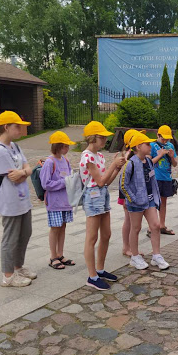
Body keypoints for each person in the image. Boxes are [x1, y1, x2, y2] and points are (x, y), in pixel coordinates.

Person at [0, 111, 36, 287]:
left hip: (22, 199)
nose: (20, 130)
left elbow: (27, 169)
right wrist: (24, 172)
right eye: (17, 126)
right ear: (6, 127)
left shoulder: (15, 146)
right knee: (11, 238)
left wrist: (23, 171)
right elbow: (14, 178)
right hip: (10, 201)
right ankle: (8, 275)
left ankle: (18, 267)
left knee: (25, 233)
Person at [80, 121, 126, 290]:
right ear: (93, 138)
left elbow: (106, 182)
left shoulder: (98, 155)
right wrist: (113, 164)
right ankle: (92, 276)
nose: (105, 140)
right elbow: (99, 181)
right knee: (92, 237)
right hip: (92, 196)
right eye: (102, 137)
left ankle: (99, 270)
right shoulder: (87, 156)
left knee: (106, 234)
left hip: (102, 194)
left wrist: (117, 168)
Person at [121, 131, 170, 270]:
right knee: (136, 228)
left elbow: (151, 178)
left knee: (155, 225)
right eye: (147, 144)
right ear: (138, 147)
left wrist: (155, 195)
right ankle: (135, 256)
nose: (150, 146)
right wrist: (132, 199)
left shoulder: (148, 161)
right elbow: (123, 184)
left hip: (149, 200)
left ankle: (156, 255)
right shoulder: (130, 163)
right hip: (136, 202)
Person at [40, 131, 76, 269]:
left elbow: (69, 177)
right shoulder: (50, 162)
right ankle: (53, 256)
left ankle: (60, 254)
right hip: (55, 202)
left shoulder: (65, 160)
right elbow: (46, 184)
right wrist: (64, 182)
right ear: (58, 146)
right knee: (55, 228)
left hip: (65, 201)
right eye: (65, 146)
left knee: (63, 226)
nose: (68, 148)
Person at [119, 129, 145, 256]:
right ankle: (126, 247)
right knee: (129, 220)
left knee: (132, 221)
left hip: (133, 189)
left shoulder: (133, 154)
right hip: (128, 190)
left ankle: (131, 247)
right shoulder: (129, 156)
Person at [150, 125, 177, 236]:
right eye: (163, 139)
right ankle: (152, 227)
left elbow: (175, 164)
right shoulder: (152, 146)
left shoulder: (170, 146)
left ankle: (162, 225)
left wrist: (171, 156)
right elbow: (149, 162)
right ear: (158, 135)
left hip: (166, 177)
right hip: (155, 178)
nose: (165, 141)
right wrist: (160, 155)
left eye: (167, 139)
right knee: (153, 203)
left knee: (163, 202)